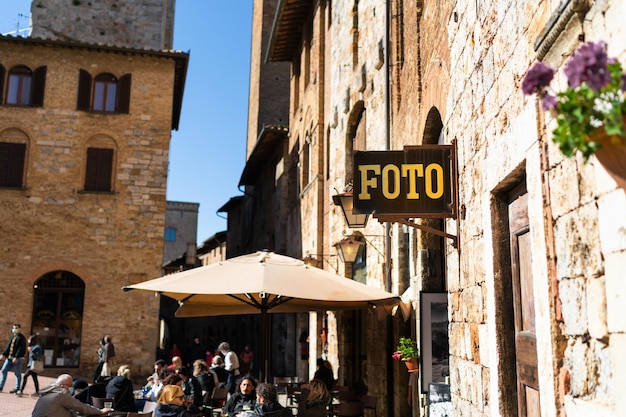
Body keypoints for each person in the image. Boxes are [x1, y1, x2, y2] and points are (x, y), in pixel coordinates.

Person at [31, 373, 112, 417]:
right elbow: (80, 407)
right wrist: (100, 411)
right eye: (69, 386)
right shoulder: (60, 394)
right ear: (62, 386)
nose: (71, 388)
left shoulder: (48, 392)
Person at [0, 323, 27, 394]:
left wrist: (17, 357)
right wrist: (3, 354)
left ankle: (18, 388)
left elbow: (21, 349)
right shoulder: (12, 336)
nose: (14, 329)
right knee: (3, 370)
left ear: (20, 329)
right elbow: (8, 346)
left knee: (17, 373)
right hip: (9, 357)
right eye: (14, 328)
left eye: (16, 328)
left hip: (17, 359)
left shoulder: (21, 338)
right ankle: (0, 386)